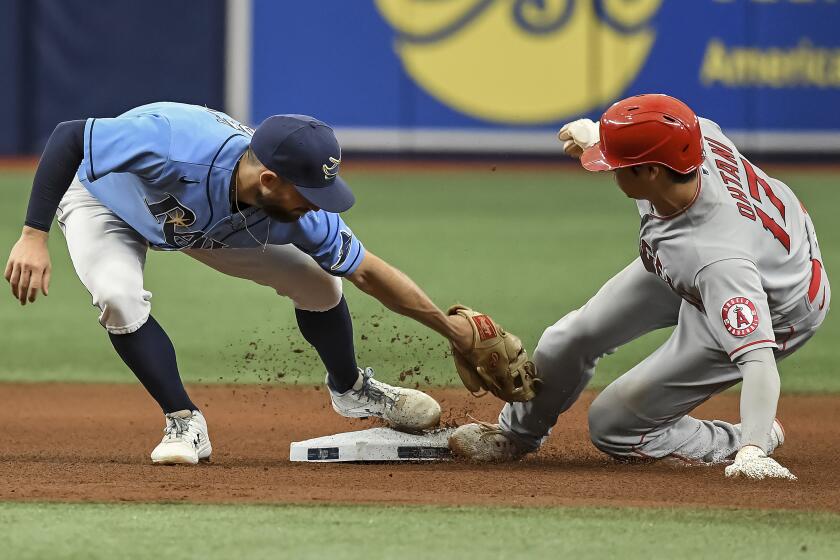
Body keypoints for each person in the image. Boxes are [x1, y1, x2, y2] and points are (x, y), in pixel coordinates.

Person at [5, 102, 475, 464]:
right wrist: (33, 235)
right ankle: (183, 420)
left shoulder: (294, 210)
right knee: (116, 296)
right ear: (269, 179)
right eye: (309, 195)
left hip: (193, 223)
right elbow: (70, 137)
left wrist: (452, 331)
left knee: (320, 283)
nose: (316, 206)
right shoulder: (173, 143)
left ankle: (351, 388)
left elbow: (368, 271)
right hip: (101, 198)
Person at [449, 94, 829, 480]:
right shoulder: (689, 144)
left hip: (777, 303)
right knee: (567, 337)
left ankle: (734, 441)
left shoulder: (716, 260)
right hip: (743, 253)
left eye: (617, 165)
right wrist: (601, 136)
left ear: (650, 172)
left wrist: (752, 448)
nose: (609, 171)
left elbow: (758, 362)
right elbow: (655, 134)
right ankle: (516, 435)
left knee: (614, 425)